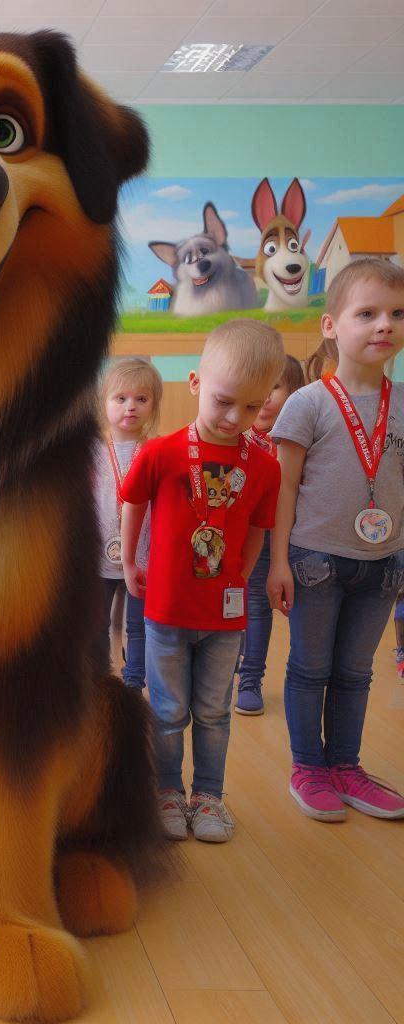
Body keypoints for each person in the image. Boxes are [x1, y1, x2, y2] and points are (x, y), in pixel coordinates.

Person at [121, 320, 283, 843]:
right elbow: (134, 502)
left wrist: (239, 574)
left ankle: (208, 795)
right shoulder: (162, 452)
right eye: (223, 401)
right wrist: (128, 561)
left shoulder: (263, 465)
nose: (237, 419)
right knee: (167, 711)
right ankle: (168, 790)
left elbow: (258, 530)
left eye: (253, 408)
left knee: (214, 712)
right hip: (166, 610)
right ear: (195, 383)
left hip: (225, 616)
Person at [267, 258, 404, 822]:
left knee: (355, 672)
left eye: (397, 314)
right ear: (331, 326)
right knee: (310, 668)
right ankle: (308, 767)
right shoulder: (309, 403)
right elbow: (284, 489)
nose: (384, 325)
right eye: (367, 313)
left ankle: (346, 766)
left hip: (383, 565)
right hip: (316, 562)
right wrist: (277, 563)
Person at [234, 354, 305, 715]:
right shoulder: (236, 437)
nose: (264, 397)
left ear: (295, 391)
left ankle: (250, 677)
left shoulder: (302, 439)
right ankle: (241, 668)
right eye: (256, 388)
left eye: (274, 387)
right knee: (243, 605)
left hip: (286, 539)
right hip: (242, 538)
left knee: (261, 607)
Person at [93, 357, 161, 688]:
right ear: (104, 402)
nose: (130, 407)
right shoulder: (90, 451)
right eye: (120, 399)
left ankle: (135, 680)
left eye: (141, 399)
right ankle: (99, 680)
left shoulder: (156, 451)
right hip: (97, 558)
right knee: (95, 624)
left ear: (154, 405)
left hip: (144, 557)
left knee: (140, 625)